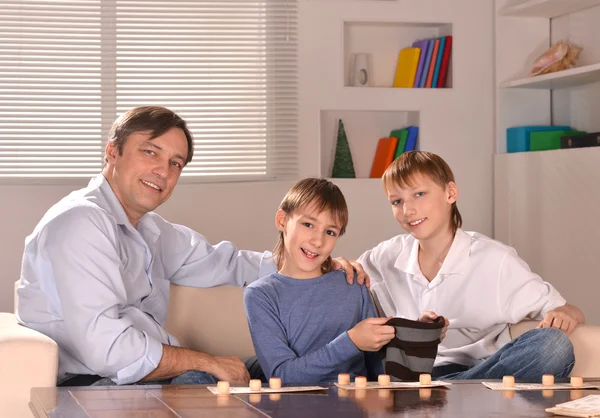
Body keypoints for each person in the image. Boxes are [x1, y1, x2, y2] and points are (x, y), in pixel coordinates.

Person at [16, 106, 367, 387]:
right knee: (219, 382)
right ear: (112, 151)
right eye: (150, 152)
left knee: (266, 372)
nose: (162, 171)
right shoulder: (81, 223)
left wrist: (315, 260)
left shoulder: (150, 229)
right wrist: (206, 360)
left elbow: (224, 263)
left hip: (142, 375)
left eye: (175, 163)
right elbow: (109, 349)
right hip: (97, 384)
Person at [358, 150, 585, 382]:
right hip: (404, 374)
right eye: (397, 201)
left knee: (554, 346)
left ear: (450, 193)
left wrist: (564, 313)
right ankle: (444, 398)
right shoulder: (385, 255)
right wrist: (340, 264)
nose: (408, 210)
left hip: (477, 372)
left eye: (419, 194)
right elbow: (342, 277)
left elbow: (567, 310)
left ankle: (443, 395)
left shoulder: (494, 259)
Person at [244, 178, 395, 384]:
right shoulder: (261, 295)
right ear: (282, 221)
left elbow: (378, 365)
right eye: (308, 224)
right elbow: (282, 376)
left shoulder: (353, 282)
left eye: (330, 232)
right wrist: (351, 342)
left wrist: (419, 334)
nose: (318, 241)